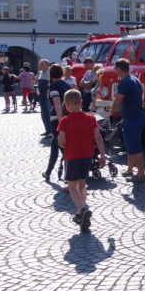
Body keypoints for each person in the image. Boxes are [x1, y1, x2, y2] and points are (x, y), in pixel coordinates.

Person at [57, 89, 105, 232]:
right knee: (82, 185)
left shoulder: (65, 121)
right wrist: (102, 155)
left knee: (72, 186)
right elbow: (98, 138)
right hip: (88, 156)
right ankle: (79, 214)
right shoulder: (91, 118)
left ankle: (82, 209)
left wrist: (66, 145)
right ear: (81, 103)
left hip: (72, 156)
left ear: (66, 105)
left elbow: (60, 141)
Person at [110, 58, 145, 183]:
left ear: (119, 69)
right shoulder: (135, 79)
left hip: (132, 118)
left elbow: (118, 99)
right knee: (130, 145)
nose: (114, 70)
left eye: (115, 68)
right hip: (136, 116)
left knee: (135, 146)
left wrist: (112, 110)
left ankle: (141, 174)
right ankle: (130, 170)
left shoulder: (124, 83)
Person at [43, 64, 70, 182]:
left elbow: (57, 104)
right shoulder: (67, 85)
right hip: (68, 117)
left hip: (57, 119)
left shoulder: (53, 87)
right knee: (55, 145)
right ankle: (48, 172)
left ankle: (70, 175)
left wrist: (61, 121)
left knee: (63, 147)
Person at [37, 60, 52, 137]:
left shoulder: (50, 73)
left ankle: (51, 131)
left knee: (49, 113)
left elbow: (51, 83)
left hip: (47, 96)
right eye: (40, 65)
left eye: (42, 64)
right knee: (43, 114)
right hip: (41, 95)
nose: (41, 66)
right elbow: (38, 83)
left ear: (47, 65)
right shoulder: (40, 73)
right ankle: (47, 130)